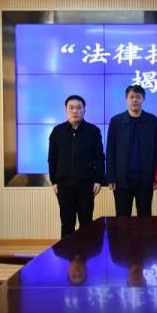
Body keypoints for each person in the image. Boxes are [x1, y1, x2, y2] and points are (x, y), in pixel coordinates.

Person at [48, 95, 105, 238]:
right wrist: (53, 181)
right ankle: (67, 252)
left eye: (79, 108)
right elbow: (52, 158)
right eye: (71, 108)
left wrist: (98, 180)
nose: (75, 111)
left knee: (86, 223)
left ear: (84, 111)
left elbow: (99, 157)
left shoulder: (93, 131)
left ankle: (86, 252)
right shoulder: (57, 131)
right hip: (64, 186)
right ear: (66, 110)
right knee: (67, 223)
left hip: (86, 186)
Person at [106, 85, 157, 217]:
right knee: (122, 218)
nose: (135, 100)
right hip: (121, 180)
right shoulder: (116, 121)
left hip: (145, 179)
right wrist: (111, 176)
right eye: (131, 97)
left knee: (145, 217)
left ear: (143, 99)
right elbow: (110, 150)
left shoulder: (152, 120)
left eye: (138, 97)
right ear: (126, 99)